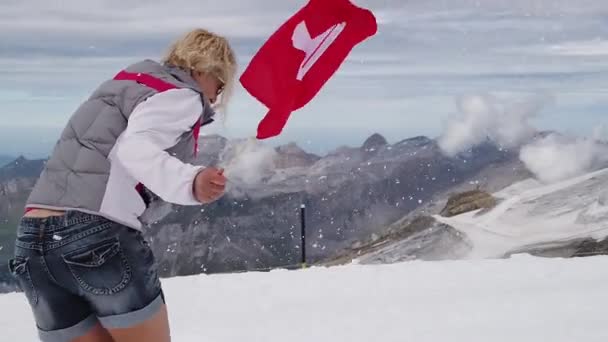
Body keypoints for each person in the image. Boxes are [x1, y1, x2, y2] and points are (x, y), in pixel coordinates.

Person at [7, 28, 237, 342]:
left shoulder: (122, 87)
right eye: (219, 83)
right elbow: (134, 150)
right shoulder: (182, 94)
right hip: (93, 235)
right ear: (201, 70)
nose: (217, 96)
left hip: (33, 244)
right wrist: (191, 181)